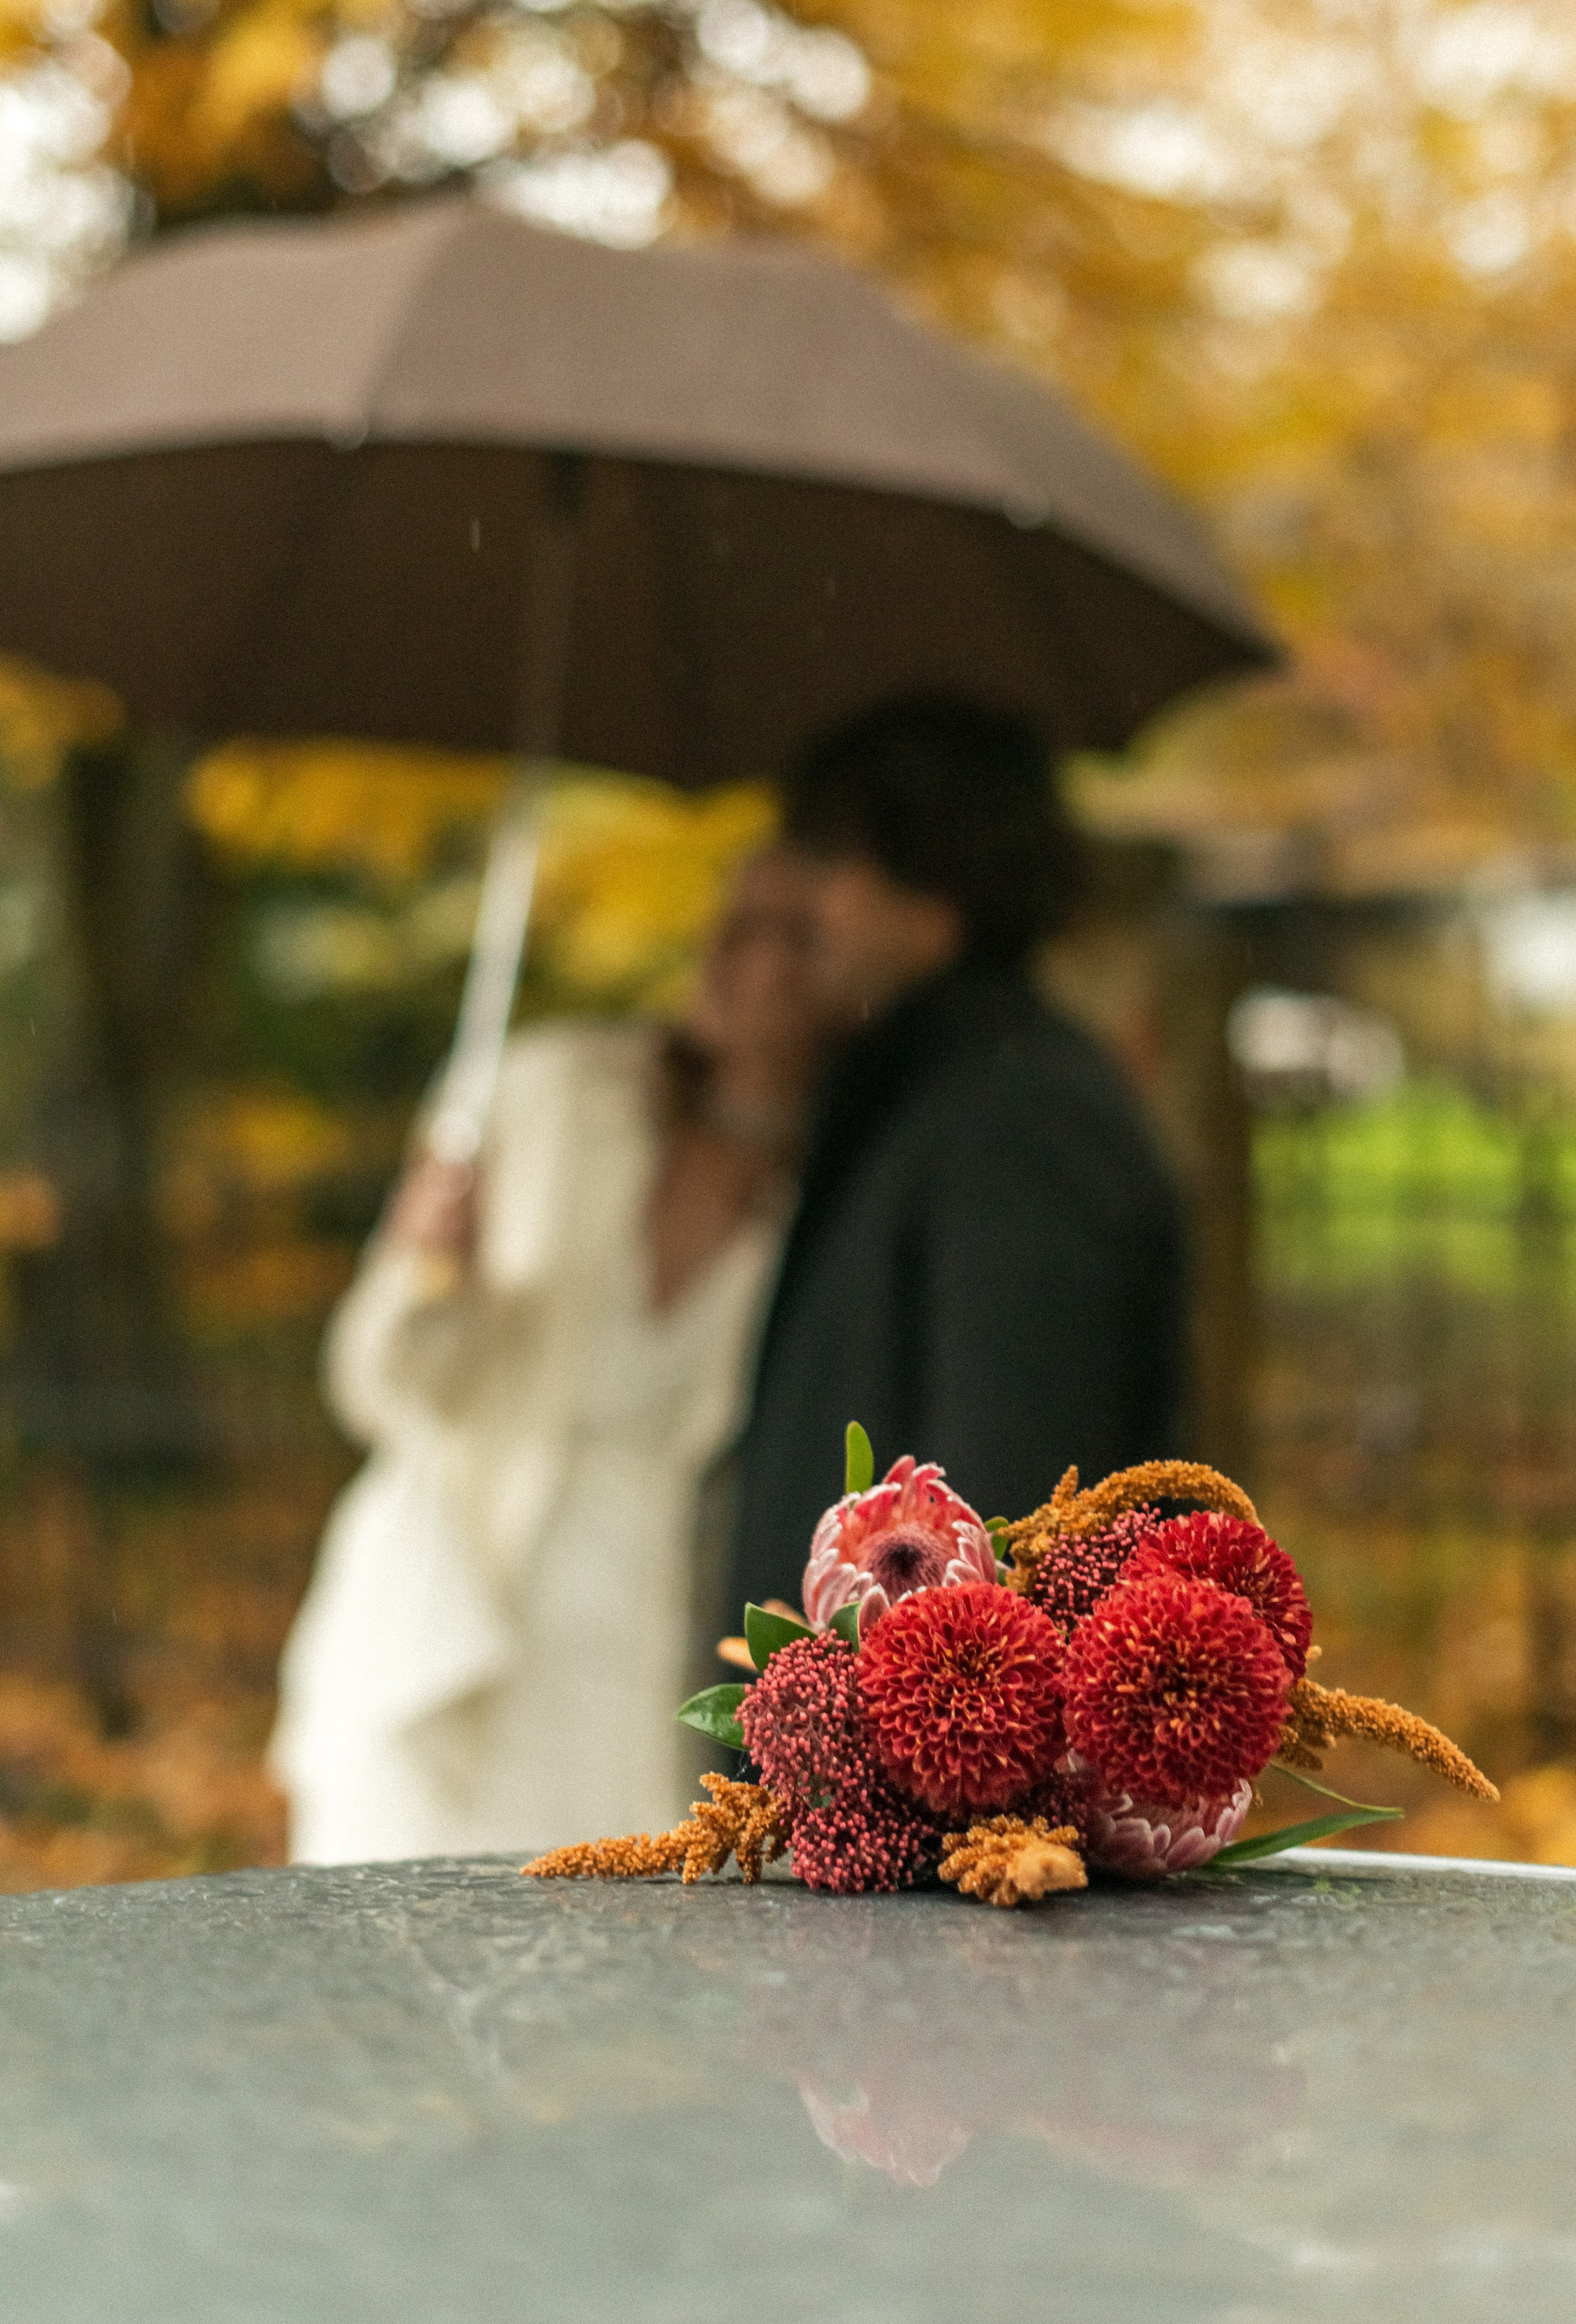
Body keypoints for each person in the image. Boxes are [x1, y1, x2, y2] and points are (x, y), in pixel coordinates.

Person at [271, 847, 824, 1862]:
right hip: (449, 1605)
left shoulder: (832, 1190)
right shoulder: (553, 1089)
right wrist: (422, 1265)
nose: (756, 962)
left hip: (638, 1642)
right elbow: (378, 1386)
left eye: (798, 936)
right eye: (739, 926)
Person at [728, 693, 1187, 1622]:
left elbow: (1014, 1503)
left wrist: (922, 1747)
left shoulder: (1020, 1121)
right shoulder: (933, 1092)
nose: (807, 904)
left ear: (934, 884)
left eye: (834, 864)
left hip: (929, 1746)